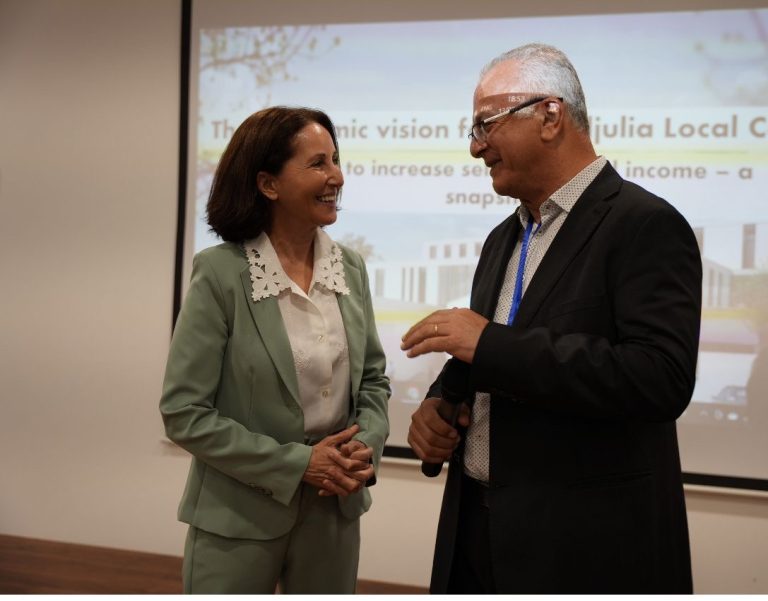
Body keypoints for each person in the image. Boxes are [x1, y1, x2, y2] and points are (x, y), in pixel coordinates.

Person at [401, 44, 701, 594]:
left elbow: (660, 378)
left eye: (485, 124)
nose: (475, 147)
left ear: (549, 115)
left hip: (582, 550)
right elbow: (496, 351)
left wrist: (487, 345)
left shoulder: (644, 224)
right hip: (477, 535)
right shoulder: (503, 238)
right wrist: (442, 401)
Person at [160, 106, 390, 594]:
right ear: (268, 184)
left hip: (334, 506)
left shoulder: (350, 267)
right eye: (318, 163)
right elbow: (184, 413)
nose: (337, 176)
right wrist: (299, 464)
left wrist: (364, 445)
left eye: (335, 160)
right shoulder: (220, 274)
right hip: (238, 516)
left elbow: (372, 380)